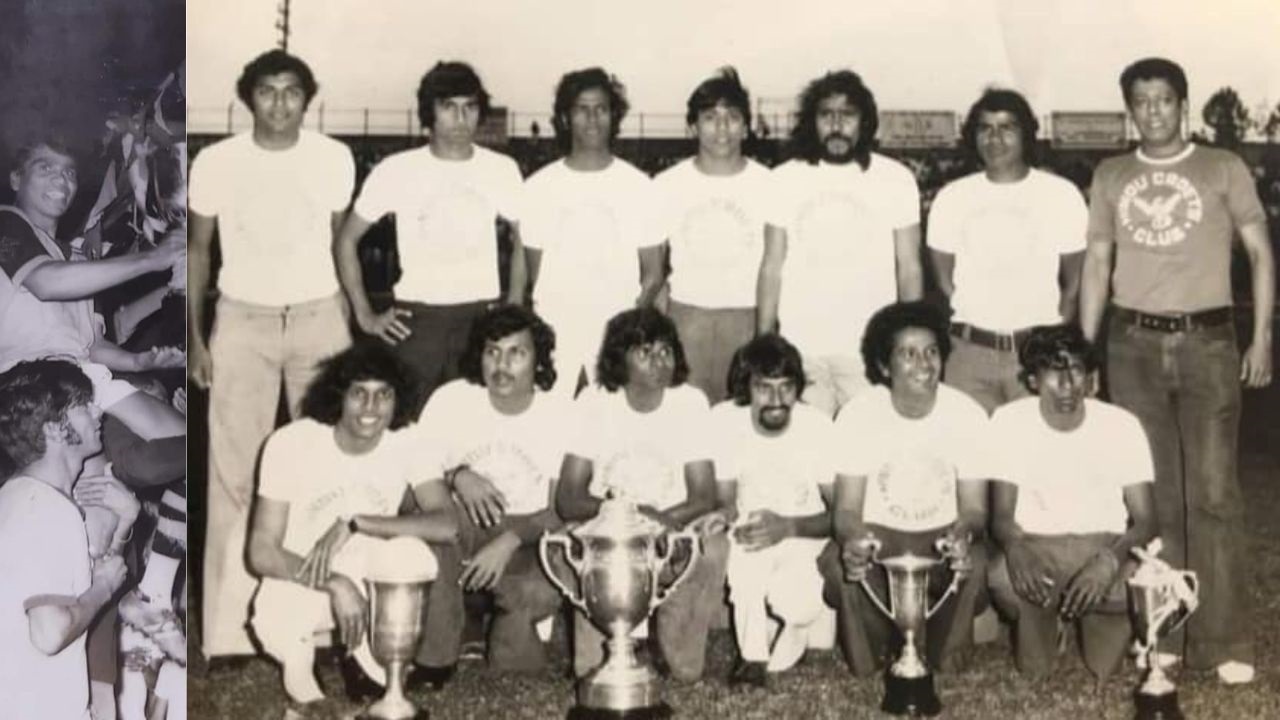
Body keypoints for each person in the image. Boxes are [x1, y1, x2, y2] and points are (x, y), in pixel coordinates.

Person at [1079, 57, 1274, 685]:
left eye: (1163, 99)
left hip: (1207, 341)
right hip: (1131, 342)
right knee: (1154, 495)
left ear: (1182, 105)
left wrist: (1261, 337)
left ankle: (1225, 641)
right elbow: (1097, 264)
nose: (1153, 111)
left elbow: (1260, 253)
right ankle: (1163, 629)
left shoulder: (1222, 166)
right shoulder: (1111, 175)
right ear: (1129, 110)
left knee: (1212, 493)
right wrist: (1085, 352)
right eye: (1141, 101)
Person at [187, 49, 357, 661]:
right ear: (248, 98)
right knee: (234, 475)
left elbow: (341, 246)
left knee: (327, 466)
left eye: (292, 91)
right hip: (242, 319)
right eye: (267, 91)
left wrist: (349, 320)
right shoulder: (215, 161)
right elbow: (198, 252)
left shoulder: (333, 157)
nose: (280, 103)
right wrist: (194, 337)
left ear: (307, 99)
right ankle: (229, 632)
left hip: (318, 317)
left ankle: (329, 621)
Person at [245, 343, 454, 709]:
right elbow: (261, 551)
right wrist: (335, 583)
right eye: (359, 393)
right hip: (303, 575)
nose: (371, 408)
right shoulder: (292, 442)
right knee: (277, 626)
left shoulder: (409, 440)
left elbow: (447, 524)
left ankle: (372, 663)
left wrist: (356, 524)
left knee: (411, 553)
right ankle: (304, 666)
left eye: (384, 395)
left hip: (370, 576)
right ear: (338, 396)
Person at [335, 61, 527, 415]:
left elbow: (523, 240)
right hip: (416, 321)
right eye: (448, 107)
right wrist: (364, 313)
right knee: (408, 426)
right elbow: (346, 240)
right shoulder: (396, 169)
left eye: (470, 107)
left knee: (474, 426)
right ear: (429, 113)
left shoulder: (501, 169)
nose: (460, 119)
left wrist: (513, 308)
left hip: (479, 317)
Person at [556, 307, 726, 682]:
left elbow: (703, 496)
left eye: (666, 351)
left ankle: (674, 647)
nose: (659, 362)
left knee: (713, 547)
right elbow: (568, 497)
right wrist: (631, 518)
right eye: (645, 352)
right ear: (620, 358)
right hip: (608, 529)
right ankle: (611, 648)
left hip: (673, 525)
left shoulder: (690, 402)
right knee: (592, 673)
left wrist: (655, 524)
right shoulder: (595, 401)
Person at [820, 302, 988, 676]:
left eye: (931, 352)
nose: (923, 364)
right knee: (836, 563)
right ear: (884, 366)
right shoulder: (858, 415)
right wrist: (854, 541)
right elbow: (846, 510)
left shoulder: (968, 414)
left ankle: (940, 646)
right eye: (908, 354)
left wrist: (962, 536)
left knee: (976, 562)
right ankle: (877, 649)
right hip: (881, 541)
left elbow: (975, 510)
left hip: (940, 541)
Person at [406, 305, 567, 683]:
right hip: (460, 524)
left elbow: (560, 510)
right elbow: (419, 478)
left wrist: (509, 540)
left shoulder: (559, 413)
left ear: (538, 361)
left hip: (527, 533)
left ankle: (495, 628)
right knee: (432, 534)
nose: (501, 365)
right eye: (492, 352)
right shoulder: (451, 399)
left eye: (517, 353)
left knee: (536, 598)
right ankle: (435, 658)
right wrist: (457, 475)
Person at [987, 324, 1157, 680]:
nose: (1067, 384)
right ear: (1032, 380)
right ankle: (1049, 621)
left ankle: (1097, 617)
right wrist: (1016, 547)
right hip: (1039, 549)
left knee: (1109, 658)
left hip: (1103, 547)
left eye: (1076, 370)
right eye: (1053, 372)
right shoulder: (1008, 421)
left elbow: (1147, 521)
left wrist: (1108, 562)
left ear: (1090, 377)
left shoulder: (1121, 425)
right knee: (1003, 577)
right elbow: (1001, 515)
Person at [0, 137, 187, 441]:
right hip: (23, 383)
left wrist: (139, 362)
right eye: (45, 168)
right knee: (160, 451)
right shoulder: (6, 222)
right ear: (16, 179)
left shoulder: (79, 262)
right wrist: (152, 258)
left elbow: (93, 346)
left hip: (79, 377)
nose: (61, 179)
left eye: (69, 172)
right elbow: (46, 283)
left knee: (183, 438)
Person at [764, 71, 924, 416]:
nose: (836, 125)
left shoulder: (895, 179)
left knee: (869, 443)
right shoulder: (784, 179)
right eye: (826, 115)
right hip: (802, 350)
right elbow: (772, 267)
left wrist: (910, 342)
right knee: (809, 446)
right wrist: (764, 341)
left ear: (865, 122)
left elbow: (909, 267)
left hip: (869, 353)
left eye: (847, 115)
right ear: (812, 121)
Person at [927, 89, 1087, 413]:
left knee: (1033, 442)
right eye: (985, 128)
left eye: (1007, 128)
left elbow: (1074, 284)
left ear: (1026, 134)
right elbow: (944, 281)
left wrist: (1049, 341)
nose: (995, 139)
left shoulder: (1061, 195)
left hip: (1035, 353)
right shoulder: (952, 197)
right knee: (971, 445)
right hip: (968, 354)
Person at [522, 67, 664, 397]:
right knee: (555, 422)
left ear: (614, 116)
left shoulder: (640, 187)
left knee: (614, 426)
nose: (592, 118)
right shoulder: (539, 187)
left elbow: (653, 274)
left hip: (619, 337)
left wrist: (622, 331)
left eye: (601, 109)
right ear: (565, 118)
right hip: (558, 335)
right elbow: (536, 274)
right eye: (582, 109)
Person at [0, 360, 131, 718]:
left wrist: (125, 523)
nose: (98, 412)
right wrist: (104, 588)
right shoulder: (46, 509)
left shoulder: (17, 499)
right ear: (55, 429)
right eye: (84, 405)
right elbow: (50, 633)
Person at [713, 334, 835, 688]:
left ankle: (791, 625)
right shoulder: (726, 421)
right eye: (764, 388)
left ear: (798, 388)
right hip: (751, 530)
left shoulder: (817, 427)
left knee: (799, 608)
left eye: (786, 387)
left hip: (805, 531)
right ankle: (752, 657)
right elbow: (726, 501)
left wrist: (788, 527)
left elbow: (841, 515)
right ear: (746, 388)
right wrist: (725, 518)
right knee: (746, 560)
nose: (777, 400)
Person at [652, 67, 780, 403]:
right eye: (710, 117)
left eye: (732, 117)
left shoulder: (770, 184)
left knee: (738, 420)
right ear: (693, 126)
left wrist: (765, 335)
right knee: (682, 418)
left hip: (746, 317)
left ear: (747, 126)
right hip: (685, 318)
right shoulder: (666, 185)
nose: (722, 128)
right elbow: (654, 270)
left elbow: (775, 267)